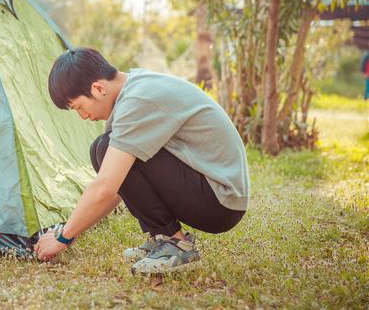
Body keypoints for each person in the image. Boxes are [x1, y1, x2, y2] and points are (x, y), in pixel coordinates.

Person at [34, 47, 250, 274]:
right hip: (212, 190)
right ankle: (163, 238)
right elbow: (117, 187)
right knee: (101, 147)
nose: (83, 116)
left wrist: (63, 237)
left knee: (106, 147)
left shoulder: (138, 100)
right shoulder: (135, 86)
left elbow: (105, 188)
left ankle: (175, 244)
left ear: (97, 89)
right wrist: (69, 230)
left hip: (220, 201)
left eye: (79, 107)